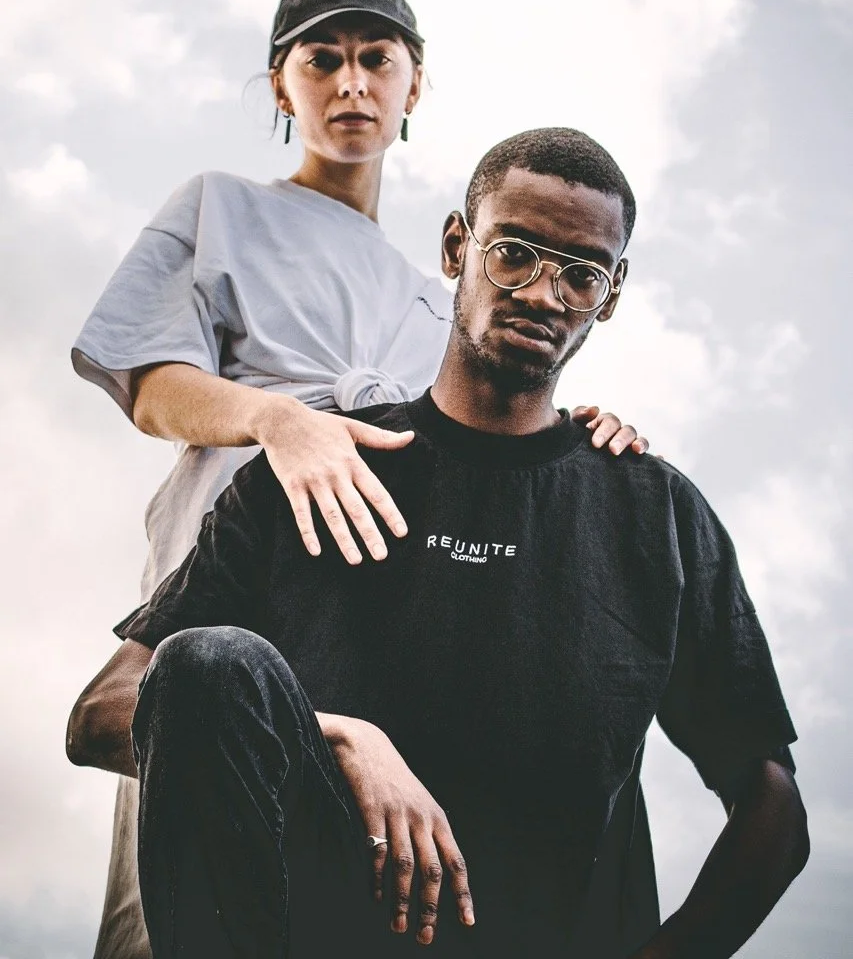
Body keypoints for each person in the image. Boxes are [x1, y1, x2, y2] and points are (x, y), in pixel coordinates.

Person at [67, 128, 808, 959]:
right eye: (514, 255)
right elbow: (99, 714)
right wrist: (330, 736)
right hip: (307, 931)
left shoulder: (655, 513)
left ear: (611, 294)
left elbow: (771, 799)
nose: (542, 293)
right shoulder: (313, 470)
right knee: (210, 660)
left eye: (580, 274)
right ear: (458, 245)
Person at [71, 0, 646, 958]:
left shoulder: (437, 289)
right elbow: (150, 384)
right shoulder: (218, 209)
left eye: (376, 58)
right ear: (279, 84)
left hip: (383, 587)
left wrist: (578, 430)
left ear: (412, 85)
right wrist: (279, 420)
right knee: (197, 804)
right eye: (320, 57)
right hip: (244, 543)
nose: (350, 83)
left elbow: (483, 419)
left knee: (380, 860)